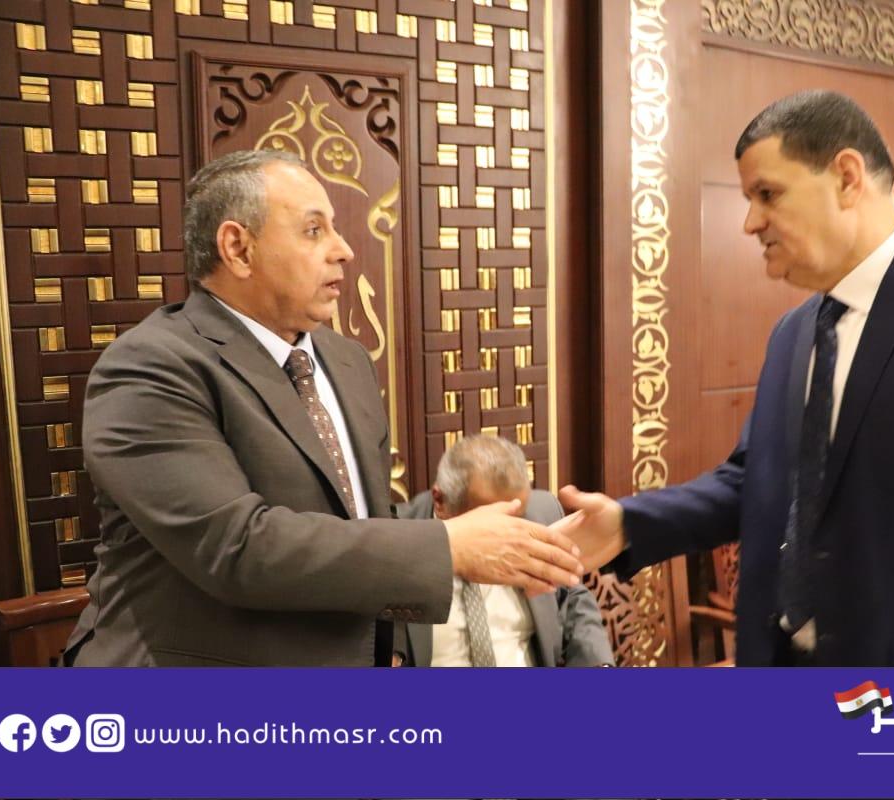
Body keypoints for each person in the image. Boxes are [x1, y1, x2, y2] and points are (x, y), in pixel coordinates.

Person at [559, 90, 894, 667]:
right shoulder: (793, 333)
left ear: (846, 177)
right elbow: (755, 482)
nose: (750, 222)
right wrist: (629, 524)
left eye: (767, 194)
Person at [64, 149, 583, 667]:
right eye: (314, 230)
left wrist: (392, 650)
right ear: (238, 249)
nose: (345, 250)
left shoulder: (347, 359)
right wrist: (447, 547)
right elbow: (236, 548)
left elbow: (366, 521)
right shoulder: (150, 366)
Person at [393, 435, 613, 667]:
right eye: (494, 523)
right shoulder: (398, 545)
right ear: (440, 501)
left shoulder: (541, 514)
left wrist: (598, 665)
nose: (510, 535)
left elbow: (572, 598)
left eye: (517, 518)